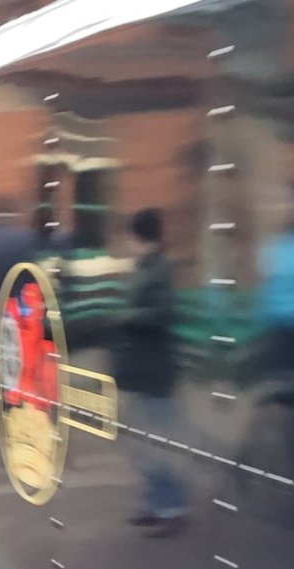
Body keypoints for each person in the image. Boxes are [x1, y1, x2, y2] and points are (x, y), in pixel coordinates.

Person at [111, 208, 188, 538]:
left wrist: (127, 316)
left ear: (137, 236)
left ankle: (171, 508)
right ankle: (156, 503)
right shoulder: (146, 267)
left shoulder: (158, 269)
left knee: (157, 442)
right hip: (143, 370)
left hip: (155, 372)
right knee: (141, 442)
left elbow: (162, 313)